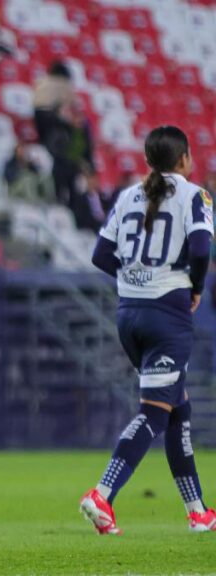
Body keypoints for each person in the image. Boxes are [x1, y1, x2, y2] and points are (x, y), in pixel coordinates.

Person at [81, 125, 216, 534]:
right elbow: (201, 247)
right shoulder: (195, 195)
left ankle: (199, 512)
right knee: (155, 414)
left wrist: (135, 276)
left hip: (130, 315)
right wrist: (194, 288)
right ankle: (102, 494)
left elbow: (101, 255)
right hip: (167, 314)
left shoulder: (128, 196)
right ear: (184, 159)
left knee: (177, 407)